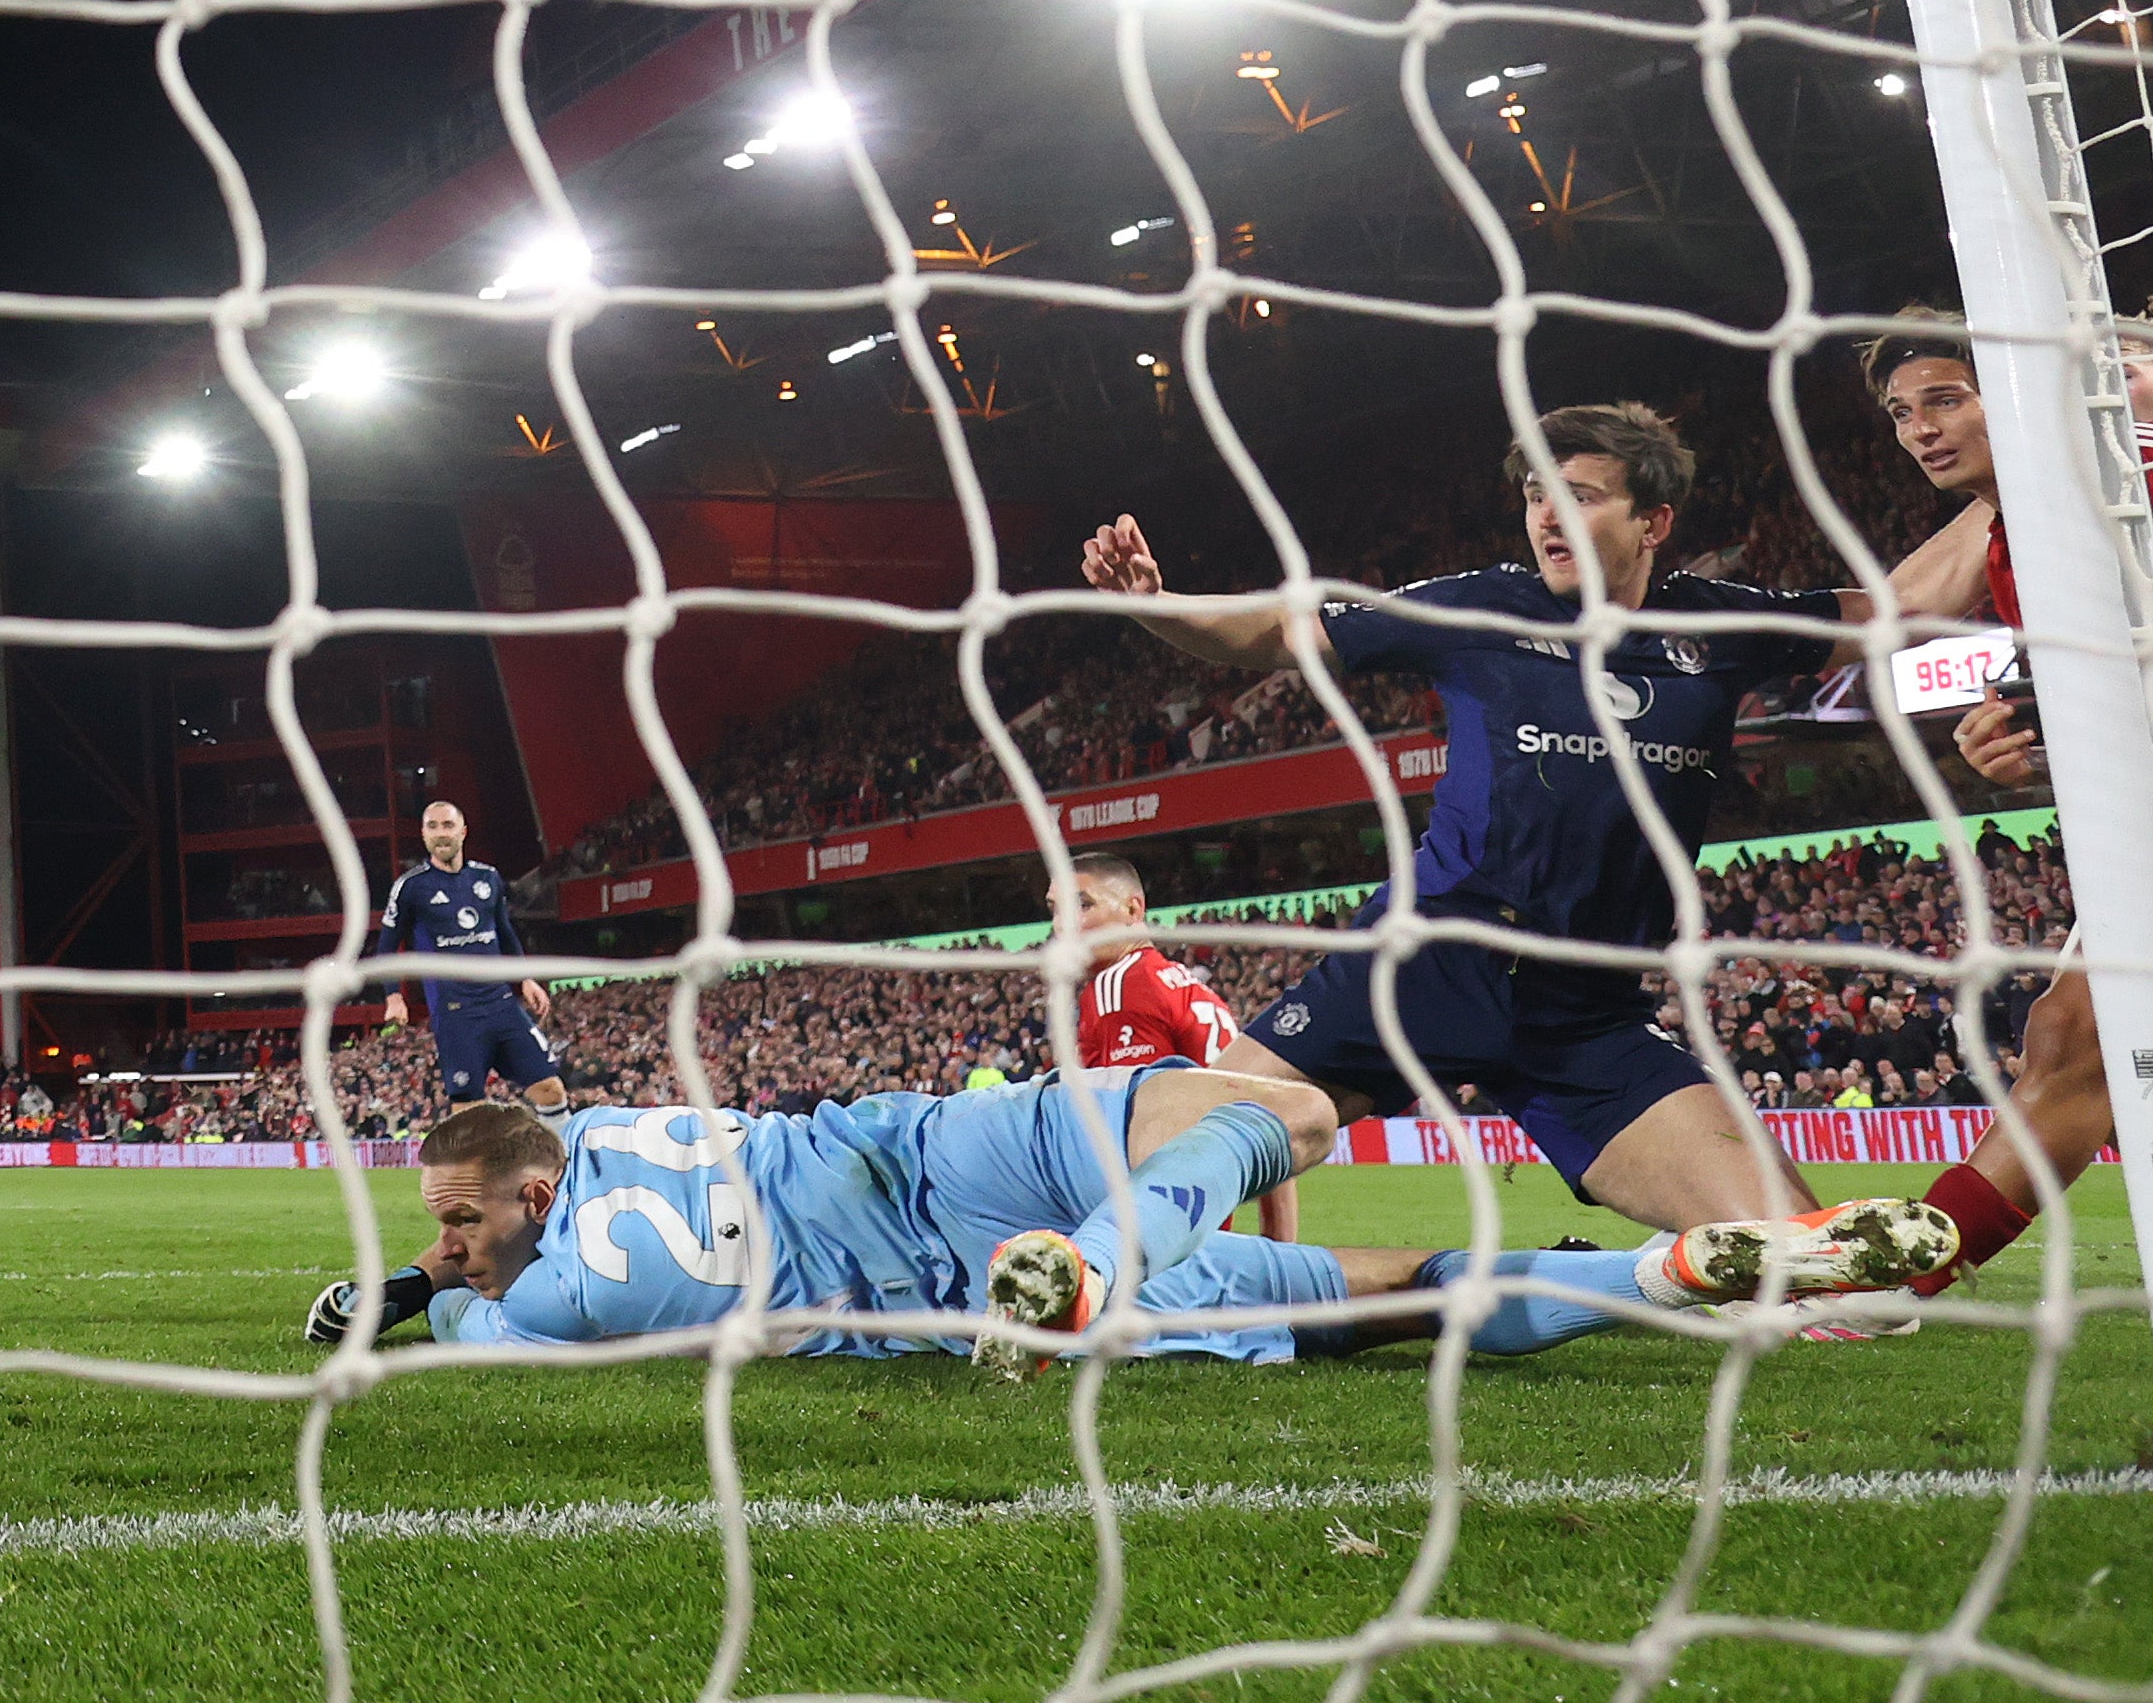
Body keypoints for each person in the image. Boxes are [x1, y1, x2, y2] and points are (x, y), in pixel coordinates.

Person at [1081, 399, 1960, 1241]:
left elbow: (1902, 607)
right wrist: (1159, 604)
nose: (1546, 515)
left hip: (1585, 1010)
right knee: (1163, 1146)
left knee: (1802, 1251)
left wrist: (2010, 490)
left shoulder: (1721, 625)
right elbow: (1279, 631)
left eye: (1576, 495)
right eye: (1535, 494)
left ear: (1652, 522)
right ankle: (1037, 1269)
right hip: (1424, 966)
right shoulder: (1482, 607)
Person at [334, 1090, 1949, 1368]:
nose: (455, 1246)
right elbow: (518, 1170)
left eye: (464, 1223)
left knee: (1375, 1295)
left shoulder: (565, 1299)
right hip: (928, 1150)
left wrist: (421, 1300)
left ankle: (1101, 1267)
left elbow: (488, 1324)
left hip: (963, 1282)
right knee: (1299, 1145)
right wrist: (428, 1259)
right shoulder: (604, 1127)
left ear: (536, 1201)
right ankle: (1678, 1268)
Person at [1856, 318, 2134, 1298]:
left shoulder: (2101, 455)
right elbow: (1882, 608)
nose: (1920, 429)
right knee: (2067, 1045)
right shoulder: (2008, 516)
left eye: (1945, 399)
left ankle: (1888, 1286)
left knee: (2076, 1050)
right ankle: (1893, 1284)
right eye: (1900, 412)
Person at [1051, 852, 1295, 1246]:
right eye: (1055, 909)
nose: (1063, 924)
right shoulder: (1188, 987)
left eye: (1083, 905)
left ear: (1133, 909)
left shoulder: (1120, 987)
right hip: (1204, 1234)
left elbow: (1129, 1138)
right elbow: (1268, 1117)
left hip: (1160, 1245)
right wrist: (1280, 1250)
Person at [381, 802, 564, 1117]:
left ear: (462, 832)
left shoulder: (488, 877)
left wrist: (525, 978)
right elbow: (386, 947)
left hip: (501, 1004)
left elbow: (505, 933)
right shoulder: (411, 887)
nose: (441, 833)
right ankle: (469, 1168)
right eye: (433, 826)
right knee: (469, 1109)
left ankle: (560, 1165)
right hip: (456, 1014)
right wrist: (393, 995)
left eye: (448, 825)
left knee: (551, 1090)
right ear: (423, 834)